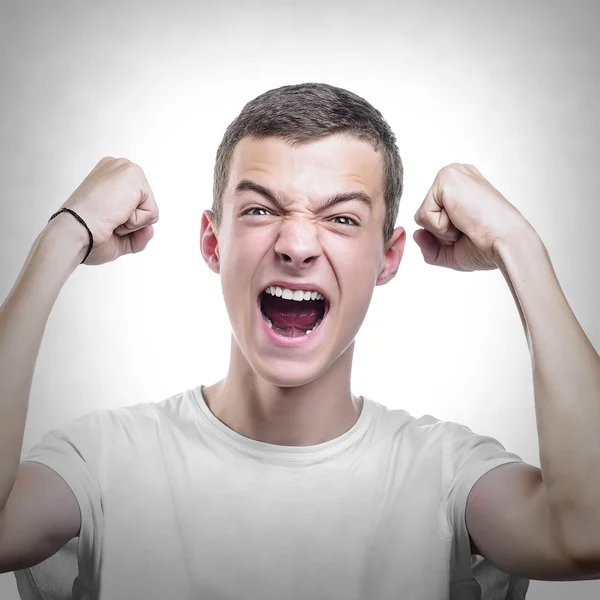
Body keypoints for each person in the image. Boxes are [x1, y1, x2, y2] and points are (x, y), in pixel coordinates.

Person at [1, 83, 599, 600]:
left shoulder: (446, 474)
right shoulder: (103, 460)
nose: (296, 245)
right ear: (213, 243)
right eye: (261, 211)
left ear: (387, 259)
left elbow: (587, 537)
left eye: (341, 218)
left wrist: (517, 243)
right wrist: (63, 237)